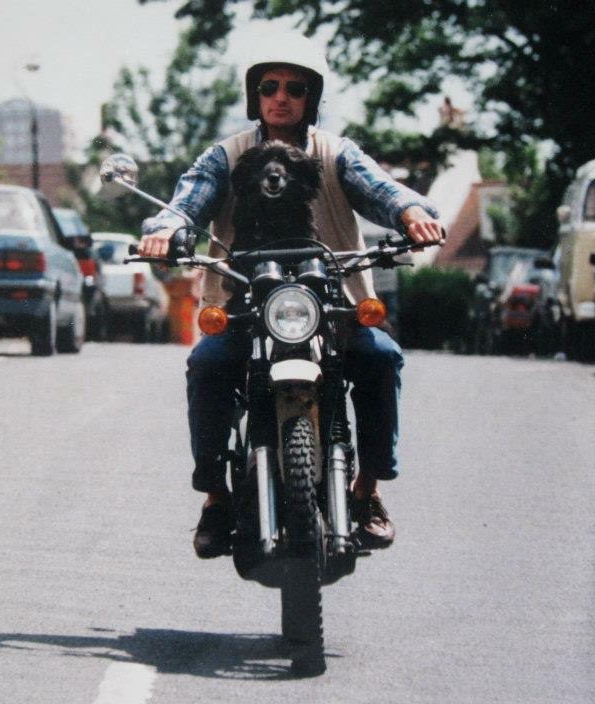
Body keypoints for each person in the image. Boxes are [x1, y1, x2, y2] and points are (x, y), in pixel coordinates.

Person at [138, 35, 445, 558]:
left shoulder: (335, 153)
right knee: (207, 364)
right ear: (255, 95)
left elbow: (381, 189)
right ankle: (215, 498)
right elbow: (188, 201)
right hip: (243, 301)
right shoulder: (227, 156)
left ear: (312, 96)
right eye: (269, 87)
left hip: (333, 300)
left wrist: (412, 213)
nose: (281, 97)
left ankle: (367, 491)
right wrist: (165, 230)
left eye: (294, 88)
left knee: (380, 356)